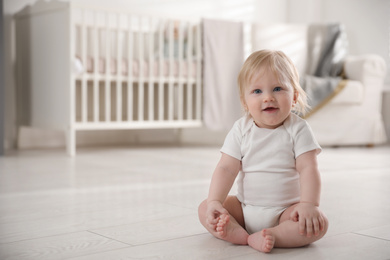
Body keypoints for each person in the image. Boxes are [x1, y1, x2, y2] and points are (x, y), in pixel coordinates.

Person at [198, 49, 329, 253]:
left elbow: (308, 169)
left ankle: (274, 235)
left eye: (277, 88)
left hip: (285, 213)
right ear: (245, 102)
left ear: (294, 97)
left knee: (318, 224)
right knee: (205, 208)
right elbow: (226, 168)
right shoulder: (241, 129)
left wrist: (309, 205)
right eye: (257, 91)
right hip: (244, 208)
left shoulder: (298, 129)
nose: (268, 97)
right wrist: (215, 201)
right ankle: (239, 233)